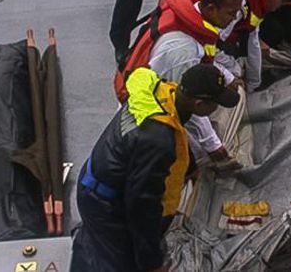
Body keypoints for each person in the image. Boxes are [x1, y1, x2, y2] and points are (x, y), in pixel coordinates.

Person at [72, 65, 240, 272]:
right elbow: (142, 207)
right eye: (216, 104)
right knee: (123, 263)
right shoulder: (157, 140)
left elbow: (176, 128)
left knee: (100, 246)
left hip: (99, 176)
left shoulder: (161, 92)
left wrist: (190, 167)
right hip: (104, 203)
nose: (216, 110)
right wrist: (151, 263)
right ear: (199, 104)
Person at [114, 0, 245, 163]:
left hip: (166, 89)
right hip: (143, 114)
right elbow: (184, 98)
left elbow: (206, 56)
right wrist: (212, 144)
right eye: (231, 13)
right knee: (188, 159)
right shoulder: (182, 50)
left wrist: (228, 76)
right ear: (211, 8)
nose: (233, 20)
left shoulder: (193, 23)